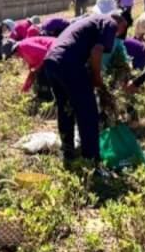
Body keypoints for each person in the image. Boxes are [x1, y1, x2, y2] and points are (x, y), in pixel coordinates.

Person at [43, 13, 128, 162]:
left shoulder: (91, 21)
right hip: (69, 62)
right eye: (121, 30)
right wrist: (97, 78)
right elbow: (96, 52)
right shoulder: (110, 23)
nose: (118, 34)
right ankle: (91, 159)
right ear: (119, 23)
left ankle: (68, 150)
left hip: (51, 61)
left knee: (65, 107)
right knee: (88, 111)